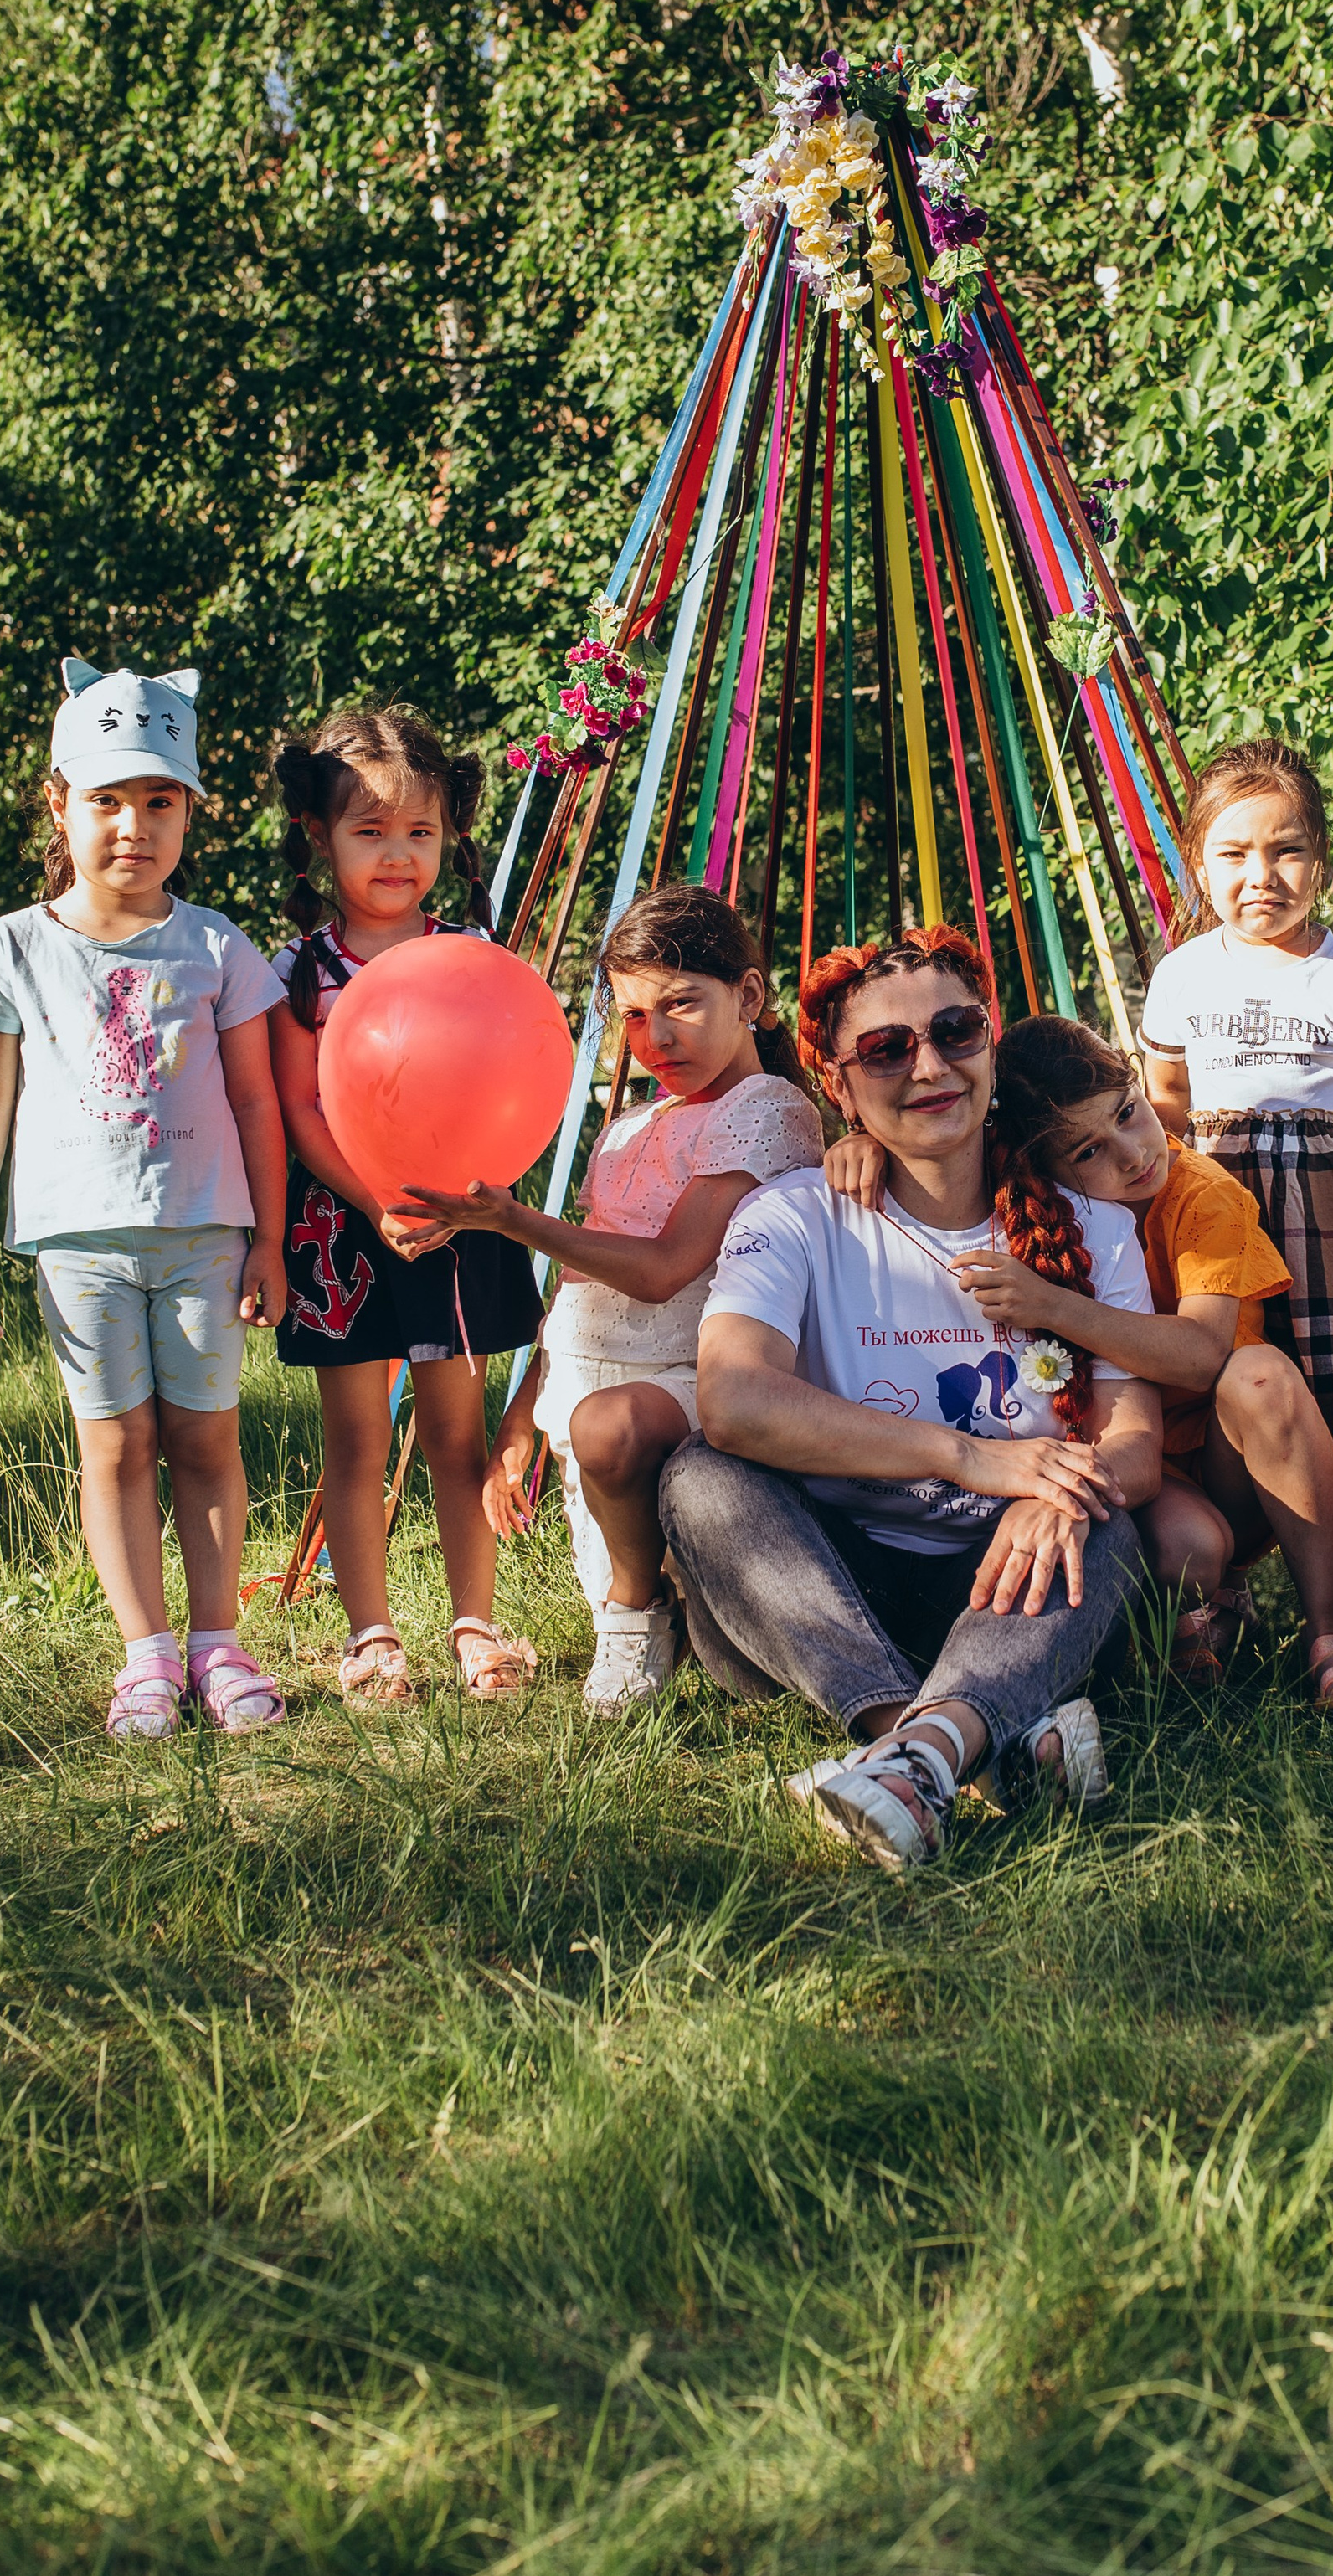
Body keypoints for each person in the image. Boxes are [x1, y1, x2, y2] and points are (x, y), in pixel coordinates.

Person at [656, 925, 1163, 1873]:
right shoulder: (795, 1214)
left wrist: (1054, 1491)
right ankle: (965, 1740)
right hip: (819, 1598)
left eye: (955, 1030)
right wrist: (967, 1456)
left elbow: (1134, 1438)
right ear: (839, 1087)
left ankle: (910, 1759)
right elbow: (730, 1397)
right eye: (886, 1049)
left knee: (1106, 1516)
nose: (928, 1064)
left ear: (989, 1041)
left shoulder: (1092, 1224)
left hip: (1012, 1592)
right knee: (700, 1473)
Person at [823, 1012, 1333, 1710]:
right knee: (1187, 1547)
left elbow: (1201, 1356)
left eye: (1129, 1112)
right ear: (1037, 1162)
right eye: (1089, 1151)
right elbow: (946, 1146)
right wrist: (863, 1141)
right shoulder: (1037, 1204)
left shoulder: (1203, 1197)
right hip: (1126, 1461)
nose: (1131, 1153)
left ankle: (1330, 1629)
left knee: (1259, 1373)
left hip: (1230, 1460)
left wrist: (1053, 1307)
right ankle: (1179, 1621)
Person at [0, 656, 289, 1741]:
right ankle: (146, 1659)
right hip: (76, 1246)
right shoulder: (16, 945)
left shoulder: (217, 945)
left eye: (158, 802)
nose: (132, 826)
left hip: (203, 1237)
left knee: (205, 1439)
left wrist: (272, 1239)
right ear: (59, 803)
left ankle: (219, 1646)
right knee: (114, 1446)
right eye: (105, 801)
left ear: (188, 811)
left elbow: (257, 1102)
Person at [392, 886, 822, 1714]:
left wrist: (513, 1220)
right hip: (586, 1392)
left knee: (614, 1427)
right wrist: (523, 1411)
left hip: (693, 1382)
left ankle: (637, 1615)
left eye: (680, 1003)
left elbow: (664, 1270)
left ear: (751, 995)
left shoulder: (766, 1109)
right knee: (602, 1429)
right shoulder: (629, 1125)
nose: (654, 1036)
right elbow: (580, 1282)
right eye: (630, 1015)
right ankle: (658, 1609)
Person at [1140, 738, 1333, 1633]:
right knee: (1230, 1383)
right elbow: (1164, 1093)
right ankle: (1227, 1579)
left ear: (1320, 860)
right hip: (1218, 1210)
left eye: (1285, 851)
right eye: (1233, 854)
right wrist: (1179, 1186)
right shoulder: (1182, 974)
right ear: (1199, 864)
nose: (1260, 875)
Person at [266, 708, 544, 1708]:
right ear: (318, 834)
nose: (396, 854)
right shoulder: (300, 972)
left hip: (459, 1219)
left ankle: (475, 1620)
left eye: (418, 832)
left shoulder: (474, 959)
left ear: (449, 838)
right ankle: (371, 1633)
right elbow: (301, 1107)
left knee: (455, 1436)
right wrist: (374, 1194)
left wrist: (470, 1191)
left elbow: (512, 1074)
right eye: (369, 830)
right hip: (347, 1226)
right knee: (355, 1441)